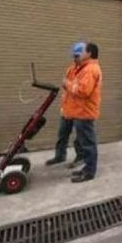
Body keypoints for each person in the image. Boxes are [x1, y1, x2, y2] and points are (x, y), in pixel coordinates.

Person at [62, 42, 102, 183]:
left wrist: (67, 84)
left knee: (88, 144)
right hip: (79, 112)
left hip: (85, 113)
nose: (77, 55)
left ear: (89, 53)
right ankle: (87, 168)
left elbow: (83, 91)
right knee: (85, 143)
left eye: (81, 51)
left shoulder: (90, 69)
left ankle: (90, 172)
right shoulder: (83, 68)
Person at [45, 42, 85, 169]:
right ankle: (60, 156)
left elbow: (81, 90)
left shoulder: (88, 71)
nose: (75, 59)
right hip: (67, 109)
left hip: (80, 110)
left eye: (77, 56)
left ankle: (81, 157)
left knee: (80, 137)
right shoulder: (71, 69)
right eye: (74, 56)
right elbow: (66, 85)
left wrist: (68, 85)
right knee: (62, 134)